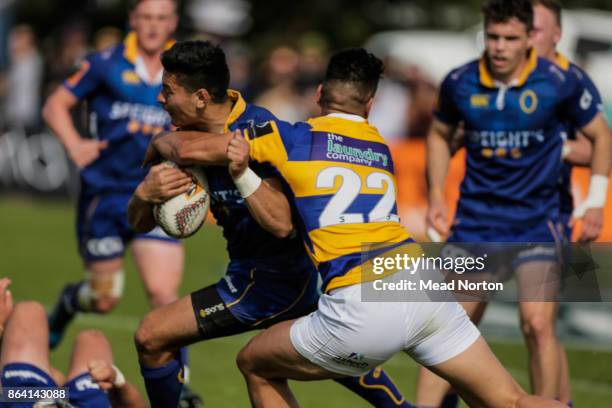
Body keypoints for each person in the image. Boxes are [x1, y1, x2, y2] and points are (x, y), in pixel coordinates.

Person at [147, 46, 565, 408]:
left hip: (362, 301)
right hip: (423, 288)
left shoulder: (292, 137)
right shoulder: (379, 146)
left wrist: (160, 145)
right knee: (508, 400)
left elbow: (196, 146)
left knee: (254, 362)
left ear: (317, 96)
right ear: (369, 106)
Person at [128, 40, 412, 408]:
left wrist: (212, 162)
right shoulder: (180, 137)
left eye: (168, 91)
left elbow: (281, 224)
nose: (160, 99)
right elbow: (137, 223)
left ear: (200, 96)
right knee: (340, 355)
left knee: (152, 336)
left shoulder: (260, 131)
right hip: (257, 275)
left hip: (270, 283)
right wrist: (145, 195)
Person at [420, 0, 611, 406]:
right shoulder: (460, 81)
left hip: (539, 222)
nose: (500, 46)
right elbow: (439, 135)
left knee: (538, 324)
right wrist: (436, 194)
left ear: (530, 39)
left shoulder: (561, 81)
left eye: (511, 38)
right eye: (493, 37)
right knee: (448, 324)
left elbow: (601, 137)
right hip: (476, 224)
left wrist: (595, 201)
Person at [41, 0, 182, 346]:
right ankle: (68, 303)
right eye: (146, 17)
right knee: (103, 299)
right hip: (106, 194)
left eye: (161, 18)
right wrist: (75, 145)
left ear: (172, 23)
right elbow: (55, 105)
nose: (153, 25)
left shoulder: (184, 66)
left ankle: (179, 390)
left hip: (160, 192)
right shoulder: (103, 63)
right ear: (133, 19)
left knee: (164, 293)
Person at [0, 279, 145, 407]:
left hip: (25, 400)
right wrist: (117, 380)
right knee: (93, 339)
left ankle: (58, 391)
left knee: (29, 311)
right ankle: (61, 392)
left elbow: (9, 395)